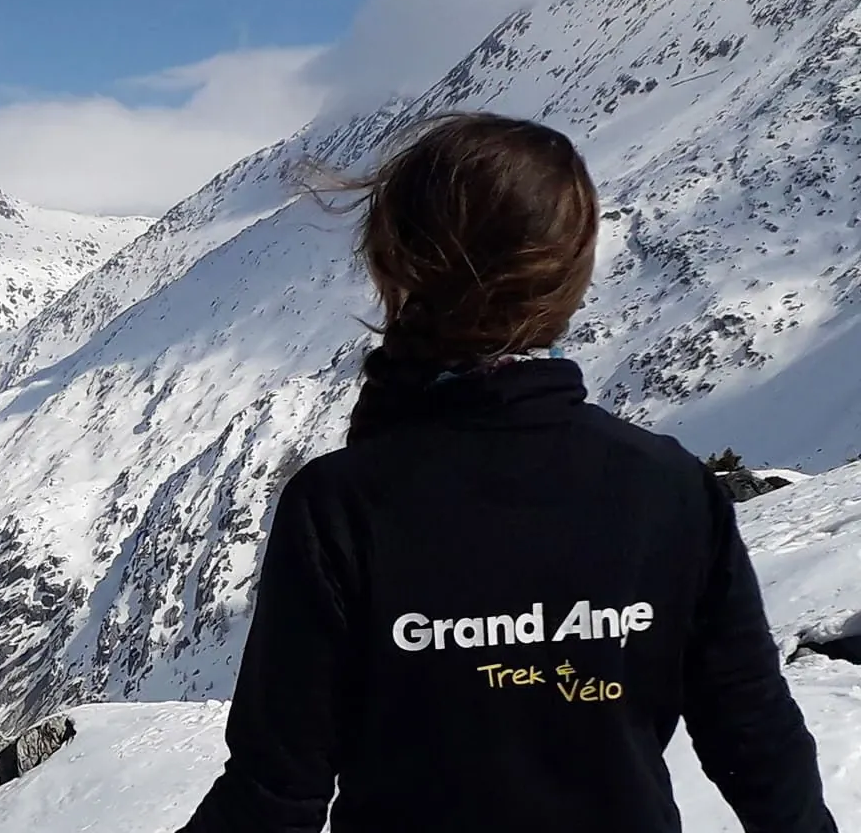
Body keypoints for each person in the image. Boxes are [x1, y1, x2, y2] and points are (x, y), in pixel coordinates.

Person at [175, 112, 836, 833]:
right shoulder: (669, 488)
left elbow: (275, 792)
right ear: (575, 274)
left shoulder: (341, 505)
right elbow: (759, 744)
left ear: (393, 266)